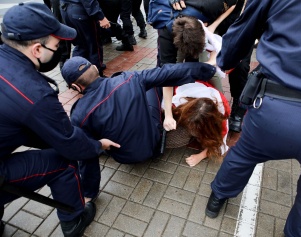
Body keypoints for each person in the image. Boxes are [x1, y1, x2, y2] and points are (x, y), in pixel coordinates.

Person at [205, 1, 301, 237]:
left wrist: (225, 60)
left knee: (243, 155)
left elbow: (240, 35)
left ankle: (218, 197)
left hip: (275, 110)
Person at [0, 3, 119, 236]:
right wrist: (97, 146)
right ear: (36, 49)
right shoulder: (34, 92)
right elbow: (70, 142)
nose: (60, 49)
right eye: (56, 45)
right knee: (64, 161)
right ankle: (73, 219)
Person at [60, 56, 217, 202]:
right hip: (153, 144)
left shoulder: (79, 114)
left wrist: (89, 193)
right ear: (94, 67)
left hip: (123, 156)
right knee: (152, 85)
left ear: (74, 86)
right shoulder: (130, 78)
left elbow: (86, 154)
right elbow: (168, 72)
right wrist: (207, 70)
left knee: (88, 137)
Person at [162, 80, 230, 167]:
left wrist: (201, 156)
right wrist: (168, 117)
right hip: (184, 96)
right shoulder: (179, 98)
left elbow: (220, 141)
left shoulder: (222, 114)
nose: (192, 130)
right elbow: (166, 103)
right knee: (172, 138)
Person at [59, 0, 111, 76]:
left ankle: (75, 75)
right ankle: (96, 75)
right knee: (94, 46)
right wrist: (100, 16)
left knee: (80, 45)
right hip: (80, 10)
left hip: (66, 9)